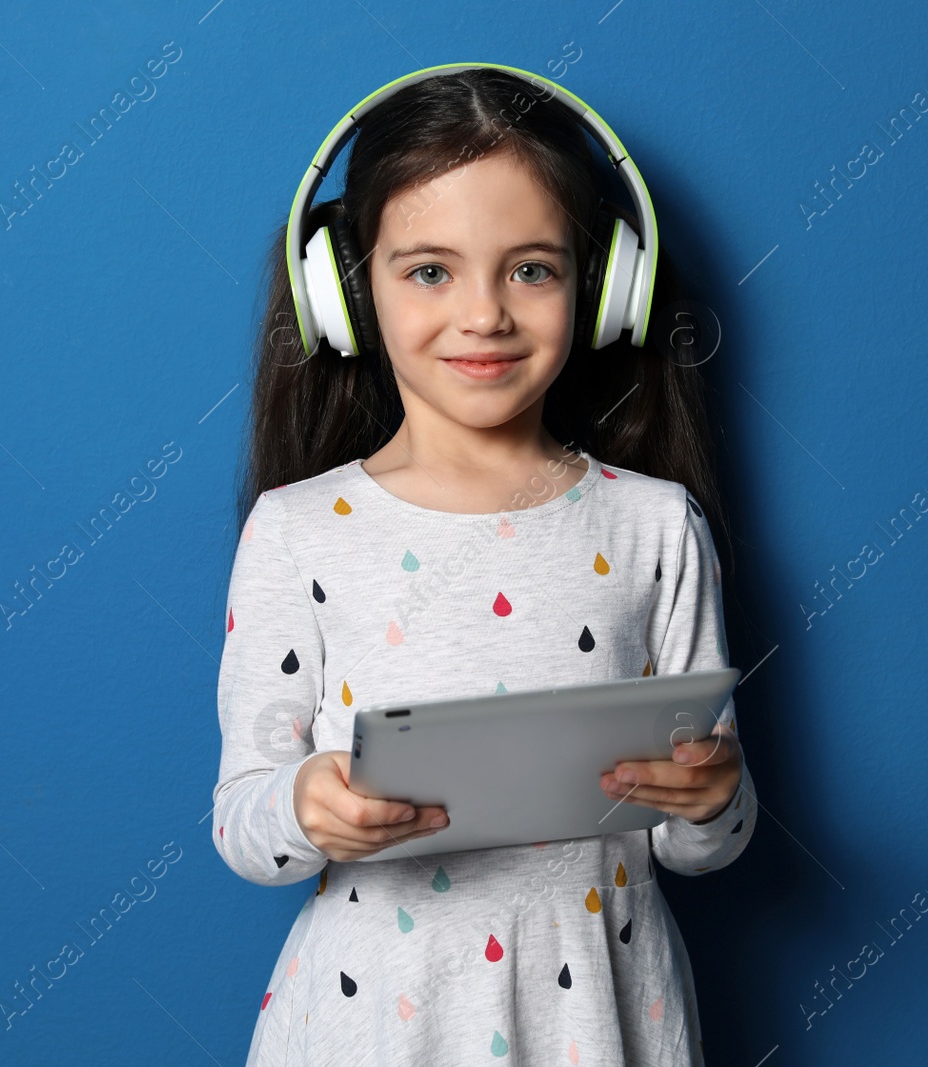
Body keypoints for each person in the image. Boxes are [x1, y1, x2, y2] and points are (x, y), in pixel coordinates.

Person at [211, 63, 757, 1065]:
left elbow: (701, 840)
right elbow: (246, 825)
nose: (484, 314)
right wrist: (303, 803)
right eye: (429, 270)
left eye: (531, 268)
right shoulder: (296, 532)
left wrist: (713, 796)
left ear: (604, 287)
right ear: (344, 294)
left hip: (600, 1010)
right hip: (369, 1020)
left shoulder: (656, 526)